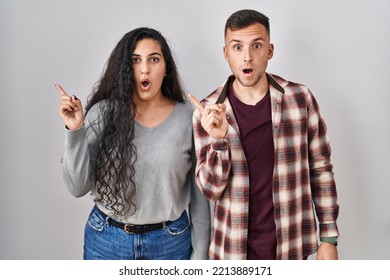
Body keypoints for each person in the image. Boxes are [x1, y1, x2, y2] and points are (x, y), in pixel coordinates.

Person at [188, 9, 339, 260]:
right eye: (237, 47)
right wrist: (218, 141)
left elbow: (321, 169)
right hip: (233, 251)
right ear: (226, 53)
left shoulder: (300, 99)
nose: (247, 57)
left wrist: (328, 238)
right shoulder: (207, 113)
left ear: (269, 51)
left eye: (256, 45)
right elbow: (210, 191)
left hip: (291, 246)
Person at [56, 27, 210, 260]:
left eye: (154, 59)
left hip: (170, 243)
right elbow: (77, 187)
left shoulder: (188, 118)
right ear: (126, 68)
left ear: (166, 68)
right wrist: (75, 129)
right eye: (135, 60)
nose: (145, 69)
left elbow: (200, 197)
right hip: (107, 242)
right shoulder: (103, 113)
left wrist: (200, 257)